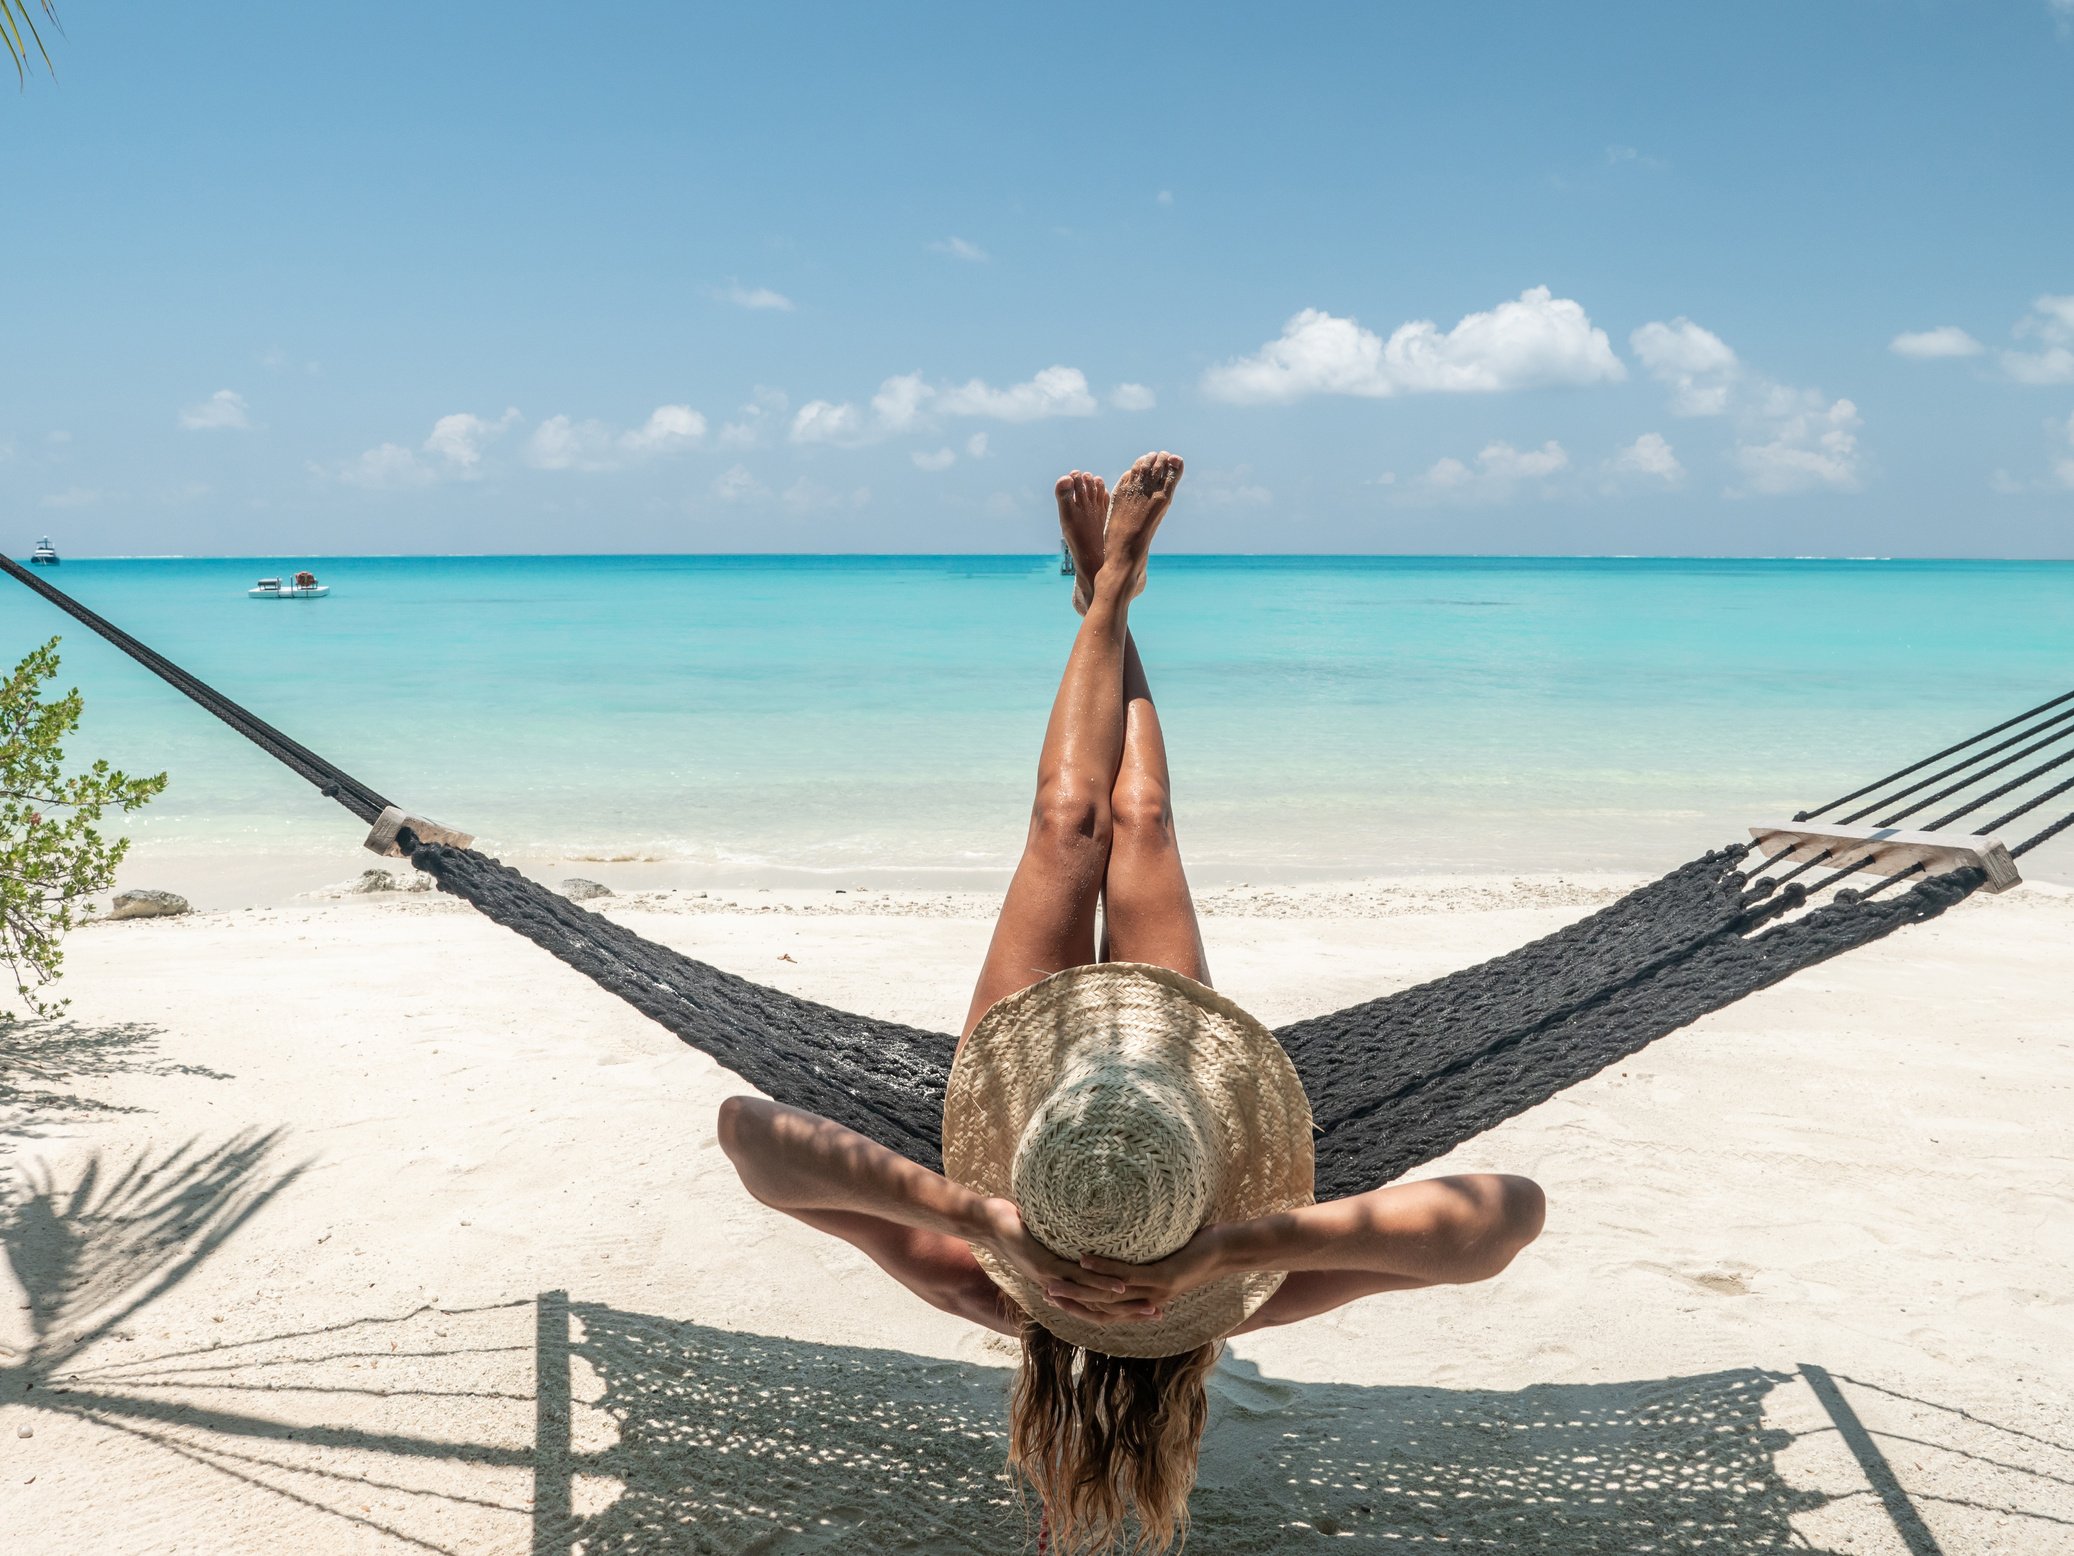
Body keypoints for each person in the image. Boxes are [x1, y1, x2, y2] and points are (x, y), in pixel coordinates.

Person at [718, 452, 1546, 1553]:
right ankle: (1107, 589)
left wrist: (982, 1214)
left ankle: (1103, 591)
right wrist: (1219, 1248)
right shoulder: (1248, 1285)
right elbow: (1503, 1217)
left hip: (1032, 1100)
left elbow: (749, 1136)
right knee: (1142, 819)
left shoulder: (977, 1280)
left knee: (1071, 824)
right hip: (1168, 1093)